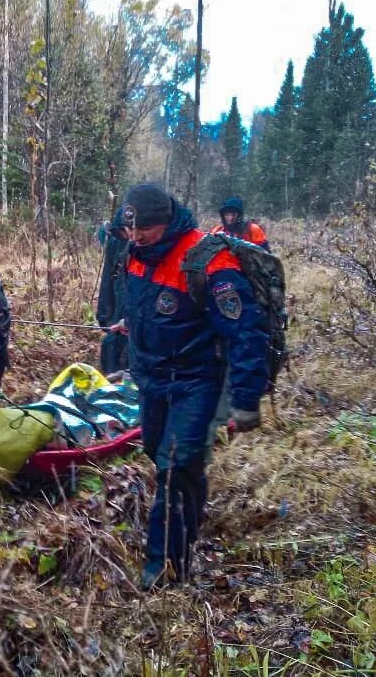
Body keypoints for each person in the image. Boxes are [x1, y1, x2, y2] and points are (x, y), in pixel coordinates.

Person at [114, 184, 268, 590]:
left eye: (144, 229)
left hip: (197, 382)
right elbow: (147, 308)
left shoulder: (208, 260)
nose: (136, 236)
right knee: (161, 454)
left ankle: (163, 566)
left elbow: (245, 333)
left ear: (166, 221)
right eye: (131, 229)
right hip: (151, 379)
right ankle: (192, 514)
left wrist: (247, 397)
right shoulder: (134, 252)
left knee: (173, 468)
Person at [96, 207, 129, 375]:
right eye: (124, 231)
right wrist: (103, 316)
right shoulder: (115, 243)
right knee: (111, 347)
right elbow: (108, 279)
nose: (130, 235)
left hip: (140, 327)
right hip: (117, 313)